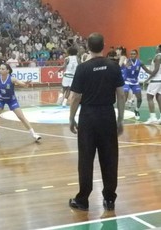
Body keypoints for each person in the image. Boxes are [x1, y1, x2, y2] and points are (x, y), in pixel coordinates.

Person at [68, 33, 125, 211]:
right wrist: (120, 119)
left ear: (87, 46)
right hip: (107, 115)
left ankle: (83, 200)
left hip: (88, 116)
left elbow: (76, 97)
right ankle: (109, 199)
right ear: (104, 45)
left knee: (85, 158)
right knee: (109, 158)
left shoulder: (82, 68)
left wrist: (71, 118)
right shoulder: (114, 67)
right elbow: (121, 94)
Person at [0, 63, 41, 142]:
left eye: (3, 69)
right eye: (0, 69)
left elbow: (22, 84)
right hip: (0, 99)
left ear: (7, 71)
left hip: (11, 100)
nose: (0, 70)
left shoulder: (12, 79)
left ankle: (34, 134)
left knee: (21, 117)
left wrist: (26, 84)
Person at [124, 49, 151, 120]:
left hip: (135, 82)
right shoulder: (127, 61)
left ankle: (136, 110)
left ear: (136, 55)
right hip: (126, 81)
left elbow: (147, 70)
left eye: (133, 54)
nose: (132, 55)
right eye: (131, 54)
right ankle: (122, 111)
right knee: (125, 96)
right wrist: (126, 65)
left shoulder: (140, 62)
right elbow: (124, 67)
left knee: (139, 99)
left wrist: (154, 73)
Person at [143, 44, 161, 124]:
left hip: (155, 80)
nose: (156, 47)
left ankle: (153, 117)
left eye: (157, 47)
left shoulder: (158, 57)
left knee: (149, 97)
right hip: (160, 80)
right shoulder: (157, 57)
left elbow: (156, 69)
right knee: (159, 97)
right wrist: (152, 61)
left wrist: (148, 79)